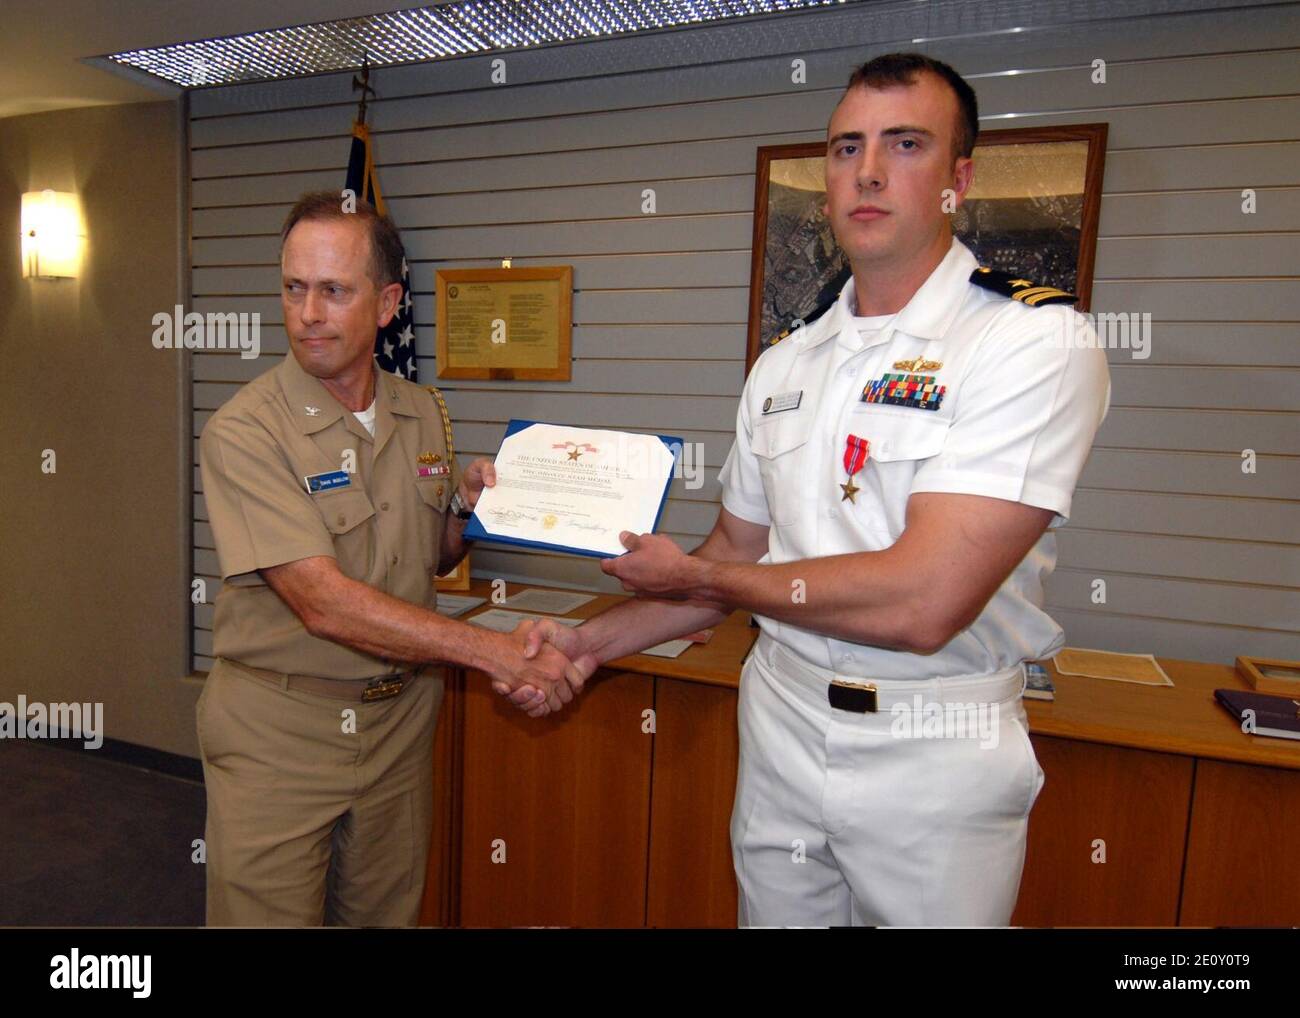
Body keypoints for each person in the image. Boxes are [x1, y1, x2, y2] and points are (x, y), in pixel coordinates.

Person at [510, 52, 1111, 926]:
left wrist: (706, 581)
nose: (867, 171)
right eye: (844, 148)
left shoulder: (1032, 343)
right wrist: (580, 649)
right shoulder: (786, 363)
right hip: (781, 719)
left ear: (959, 178)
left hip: (933, 746)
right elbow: (731, 556)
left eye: (904, 144)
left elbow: (925, 602)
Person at [196, 191, 587, 926]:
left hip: (401, 722)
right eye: (294, 287)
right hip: (282, 730)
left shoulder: (420, 411)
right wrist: (496, 654)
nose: (308, 312)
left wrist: (468, 508)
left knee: (386, 917)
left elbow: (431, 560)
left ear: (385, 304)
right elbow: (322, 602)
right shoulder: (244, 432)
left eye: (334, 291)